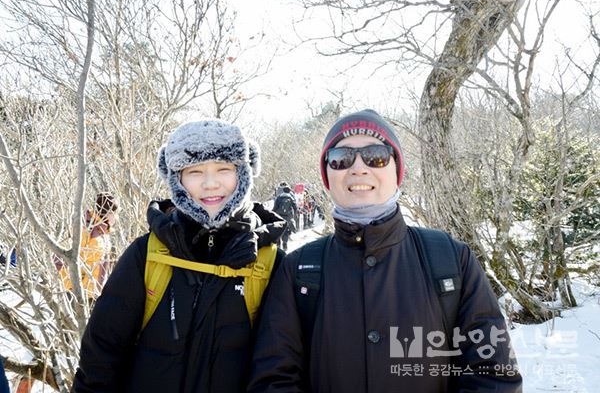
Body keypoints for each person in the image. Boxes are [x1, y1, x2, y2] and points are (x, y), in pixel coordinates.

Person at [248, 109, 522, 392]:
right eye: (341, 158)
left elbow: (493, 374)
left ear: (397, 169)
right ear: (328, 175)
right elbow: (273, 380)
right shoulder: (299, 270)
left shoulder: (451, 260)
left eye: (375, 155)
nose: (358, 168)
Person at [72, 120, 285, 393]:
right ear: (177, 178)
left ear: (243, 173)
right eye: (195, 171)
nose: (210, 183)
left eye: (224, 169)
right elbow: (100, 359)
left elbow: (279, 371)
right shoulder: (147, 255)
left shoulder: (268, 263)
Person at [55, 192, 119, 298]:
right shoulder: (86, 228)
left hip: (94, 292)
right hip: (80, 293)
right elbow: (65, 257)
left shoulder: (102, 230)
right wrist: (72, 286)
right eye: (115, 214)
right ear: (109, 213)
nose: (116, 218)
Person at [272, 185, 297, 251]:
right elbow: (295, 208)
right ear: (289, 191)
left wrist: (272, 214)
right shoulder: (291, 198)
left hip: (279, 216)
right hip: (288, 217)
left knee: (279, 229)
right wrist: (294, 216)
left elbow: (275, 208)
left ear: (283, 191)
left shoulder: (279, 198)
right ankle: (285, 243)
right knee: (286, 230)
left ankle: (278, 244)